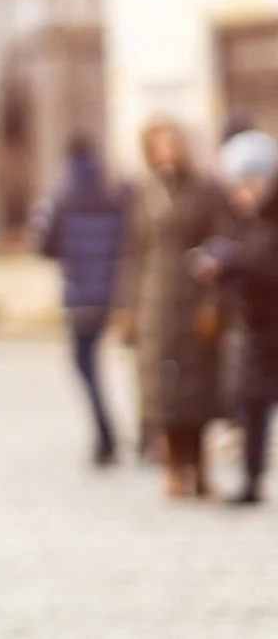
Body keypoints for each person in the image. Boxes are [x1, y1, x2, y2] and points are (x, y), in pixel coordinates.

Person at [127, 118, 229, 499]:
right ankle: (171, 466)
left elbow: (219, 245)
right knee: (161, 390)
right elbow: (133, 252)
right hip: (156, 300)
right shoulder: (145, 193)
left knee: (198, 387)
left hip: (192, 295)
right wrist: (128, 306)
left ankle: (199, 467)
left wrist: (214, 302)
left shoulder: (203, 191)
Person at [34, 133, 127, 466]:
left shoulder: (61, 196)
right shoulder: (111, 193)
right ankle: (119, 432)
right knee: (96, 361)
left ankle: (105, 433)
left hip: (78, 296)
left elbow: (43, 245)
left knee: (83, 364)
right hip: (109, 294)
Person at [199, 130, 278, 504]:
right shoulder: (247, 218)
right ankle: (251, 480)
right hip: (257, 324)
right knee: (252, 402)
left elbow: (267, 264)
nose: (240, 194)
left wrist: (234, 262)